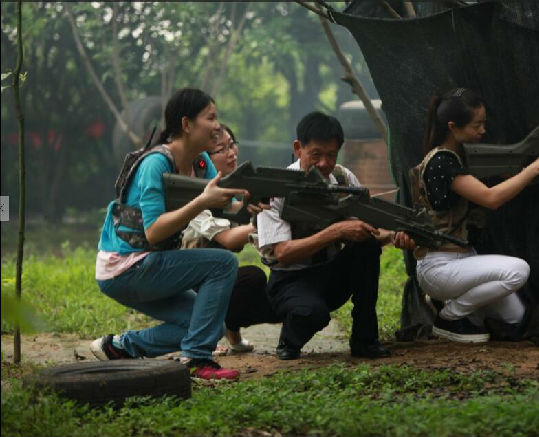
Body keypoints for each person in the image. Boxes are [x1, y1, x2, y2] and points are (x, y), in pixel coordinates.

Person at [412, 87, 539, 343]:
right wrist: (534, 167)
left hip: (463, 259)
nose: (483, 130)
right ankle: (449, 316)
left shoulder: (460, 156)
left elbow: (520, 180)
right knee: (518, 271)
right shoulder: (441, 163)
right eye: (477, 125)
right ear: (452, 127)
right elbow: (491, 198)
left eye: (484, 123)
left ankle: (456, 308)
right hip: (439, 265)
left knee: (516, 317)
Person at [90, 88, 248, 380]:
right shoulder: (156, 163)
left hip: (144, 264)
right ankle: (197, 359)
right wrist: (202, 201)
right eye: (210, 118)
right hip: (125, 266)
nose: (217, 126)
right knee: (223, 263)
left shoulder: (201, 161)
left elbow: (226, 207)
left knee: (205, 324)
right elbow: (153, 232)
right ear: (186, 124)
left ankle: (120, 347)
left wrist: (255, 206)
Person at [256, 111, 415, 360]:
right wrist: (336, 231)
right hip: (290, 281)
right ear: (298, 149)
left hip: (330, 275)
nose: (324, 163)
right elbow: (283, 253)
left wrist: (395, 235)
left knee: (367, 247)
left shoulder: (343, 179)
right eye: (316, 154)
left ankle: (365, 340)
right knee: (312, 313)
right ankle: (289, 338)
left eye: (331, 155)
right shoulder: (276, 188)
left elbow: (367, 228)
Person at [181, 124, 281, 354]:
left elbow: (241, 221)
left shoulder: (229, 194)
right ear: (203, 159)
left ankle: (232, 336)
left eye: (232, 145)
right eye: (221, 149)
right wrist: (262, 223)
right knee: (249, 277)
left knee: (267, 290)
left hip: (210, 275)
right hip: (188, 281)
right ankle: (203, 335)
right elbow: (229, 239)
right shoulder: (196, 196)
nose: (231, 153)